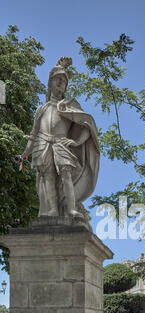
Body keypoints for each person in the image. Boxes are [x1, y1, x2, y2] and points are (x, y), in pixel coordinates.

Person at [22, 57, 100, 219]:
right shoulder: (41, 109)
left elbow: (87, 126)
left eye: (63, 81)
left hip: (60, 143)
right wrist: (24, 154)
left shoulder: (68, 105)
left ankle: (71, 209)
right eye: (57, 79)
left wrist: (77, 141)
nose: (60, 83)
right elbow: (33, 134)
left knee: (66, 174)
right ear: (50, 83)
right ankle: (52, 210)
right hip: (42, 144)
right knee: (48, 176)